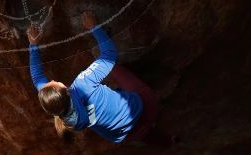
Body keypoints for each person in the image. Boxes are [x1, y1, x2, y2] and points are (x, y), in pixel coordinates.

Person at [28, 11, 165, 145]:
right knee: (114, 68)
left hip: (124, 136)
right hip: (145, 109)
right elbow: (109, 54)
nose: (52, 81)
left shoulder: (68, 120)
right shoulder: (83, 85)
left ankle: (166, 141)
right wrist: (93, 27)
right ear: (68, 91)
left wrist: (33, 45)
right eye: (56, 83)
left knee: (140, 131)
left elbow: (37, 77)